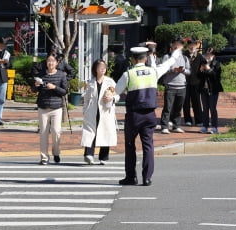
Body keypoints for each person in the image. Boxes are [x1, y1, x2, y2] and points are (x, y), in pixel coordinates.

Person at [114, 46, 184, 186]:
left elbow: (116, 92)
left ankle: (131, 177)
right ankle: (147, 177)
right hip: (150, 115)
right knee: (148, 146)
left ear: (132, 59)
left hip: (134, 115)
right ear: (145, 58)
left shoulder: (129, 74)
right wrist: (176, 53)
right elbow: (169, 63)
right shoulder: (154, 71)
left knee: (130, 145)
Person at [80, 59, 119, 165]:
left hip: (106, 111)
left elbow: (117, 95)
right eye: (100, 67)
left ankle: (103, 157)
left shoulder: (110, 82)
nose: (102, 69)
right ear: (95, 69)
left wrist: (112, 98)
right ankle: (88, 154)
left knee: (105, 132)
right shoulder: (90, 82)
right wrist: (85, 110)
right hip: (92, 112)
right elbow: (87, 98)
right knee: (90, 132)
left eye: (104, 67)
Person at [32, 53, 68, 165]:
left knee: (56, 131)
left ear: (57, 63)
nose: (50, 63)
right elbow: (34, 90)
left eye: (53, 61)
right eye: (48, 61)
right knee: (43, 133)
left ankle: (56, 152)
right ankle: (44, 157)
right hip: (43, 107)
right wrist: (36, 85)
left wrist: (54, 87)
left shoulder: (61, 75)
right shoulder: (41, 74)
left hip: (56, 108)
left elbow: (65, 91)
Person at [160, 39, 190, 134]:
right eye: (176, 47)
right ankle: (164, 126)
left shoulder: (185, 58)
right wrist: (173, 70)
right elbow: (163, 69)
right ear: (172, 47)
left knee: (178, 107)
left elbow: (189, 72)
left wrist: (183, 70)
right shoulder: (167, 57)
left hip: (182, 86)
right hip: (170, 85)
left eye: (180, 47)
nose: (178, 48)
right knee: (168, 107)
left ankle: (176, 125)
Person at [198, 48, 224, 134]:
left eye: (210, 54)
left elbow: (215, 76)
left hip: (213, 89)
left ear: (213, 55)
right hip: (204, 89)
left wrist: (208, 69)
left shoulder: (217, 64)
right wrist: (201, 70)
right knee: (205, 108)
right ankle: (204, 126)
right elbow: (198, 76)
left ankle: (214, 127)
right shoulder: (203, 64)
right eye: (207, 54)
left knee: (212, 108)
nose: (208, 56)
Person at [183, 40, 204, 126]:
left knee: (197, 101)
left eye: (193, 45)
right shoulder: (184, 55)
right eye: (190, 45)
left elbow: (204, 68)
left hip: (196, 82)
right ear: (187, 46)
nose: (192, 47)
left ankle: (199, 120)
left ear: (196, 46)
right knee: (186, 101)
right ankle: (187, 120)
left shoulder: (200, 56)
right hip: (185, 82)